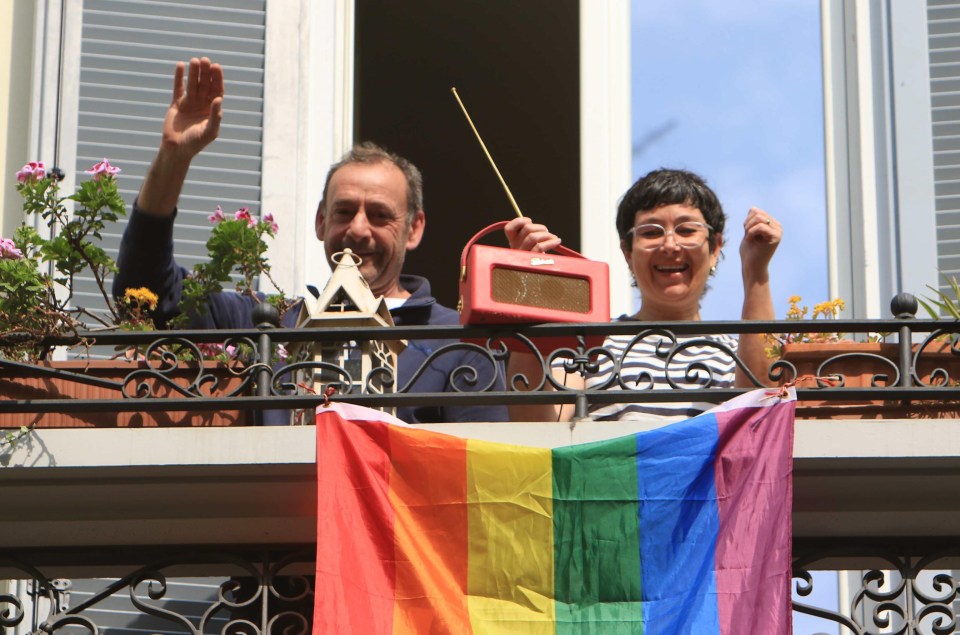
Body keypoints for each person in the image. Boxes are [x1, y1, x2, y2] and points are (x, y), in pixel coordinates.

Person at [112, 57, 506, 424]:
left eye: (380, 215)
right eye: (344, 211)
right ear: (320, 222)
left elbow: (478, 479)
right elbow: (144, 294)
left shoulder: (457, 339)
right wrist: (174, 158)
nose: (358, 229)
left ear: (414, 229)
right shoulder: (272, 321)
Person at [504, 168, 781, 421]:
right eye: (651, 232)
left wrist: (755, 270)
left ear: (715, 248)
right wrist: (531, 284)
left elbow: (763, 414)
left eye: (686, 230)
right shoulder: (588, 343)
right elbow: (536, 424)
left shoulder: (735, 351)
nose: (670, 245)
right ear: (628, 253)